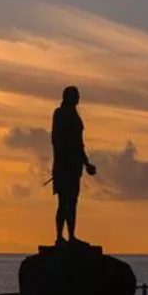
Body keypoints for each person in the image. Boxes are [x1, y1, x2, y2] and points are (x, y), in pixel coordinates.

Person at [51, 86, 96, 245]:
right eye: (76, 96)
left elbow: (79, 144)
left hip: (74, 167)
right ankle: (59, 237)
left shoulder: (75, 116)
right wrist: (65, 160)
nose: (78, 98)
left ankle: (71, 236)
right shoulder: (60, 114)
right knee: (63, 202)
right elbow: (57, 141)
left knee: (73, 201)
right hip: (64, 166)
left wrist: (85, 163)